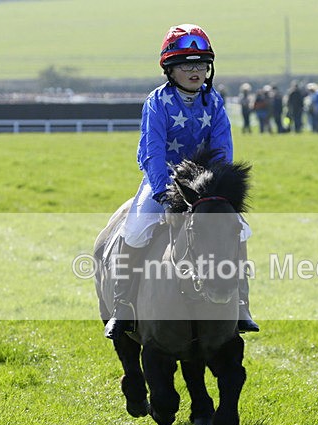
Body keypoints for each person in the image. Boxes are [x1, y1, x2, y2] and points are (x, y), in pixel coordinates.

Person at [104, 23, 259, 339]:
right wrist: (163, 193)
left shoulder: (214, 102)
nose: (195, 71)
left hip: (203, 186)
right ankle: (123, 307)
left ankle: (241, 303)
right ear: (170, 70)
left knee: (240, 229)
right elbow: (153, 151)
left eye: (201, 64)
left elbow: (222, 150)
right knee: (135, 230)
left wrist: (218, 189)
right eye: (186, 65)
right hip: (163, 181)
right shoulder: (157, 102)